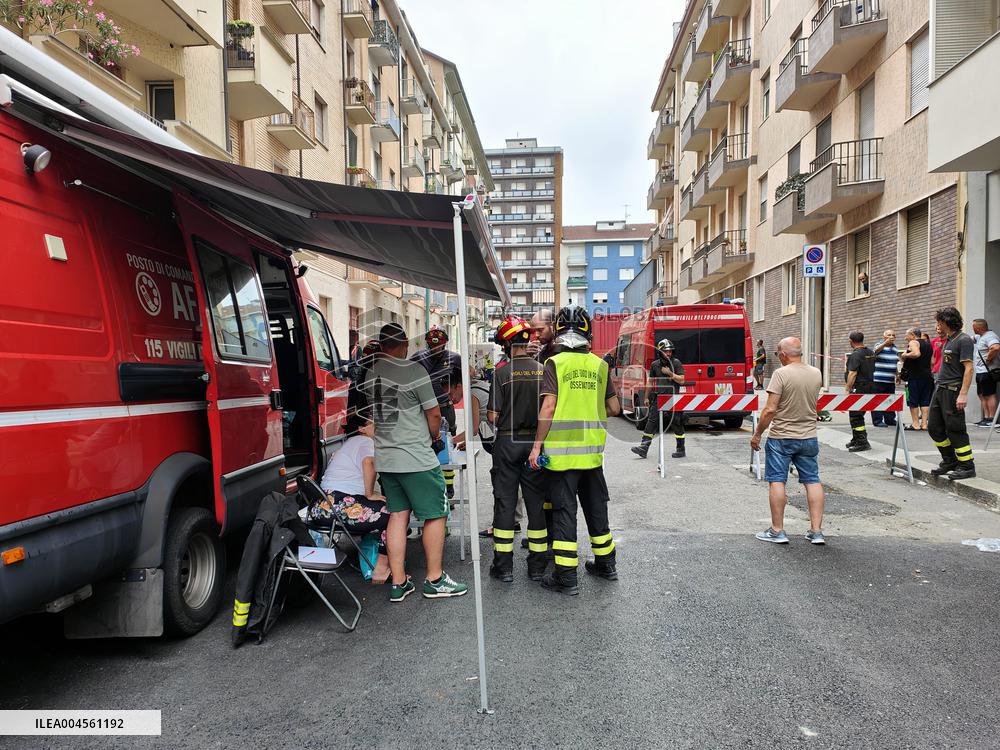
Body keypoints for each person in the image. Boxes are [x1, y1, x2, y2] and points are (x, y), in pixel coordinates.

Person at [360, 323, 468, 602]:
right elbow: (434, 414)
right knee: (435, 513)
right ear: (405, 344)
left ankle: (399, 582)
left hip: (386, 458)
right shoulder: (414, 371)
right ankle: (434, 579)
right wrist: (434, 437)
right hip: (416, 457)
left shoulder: (372, 373)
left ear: (383, 345)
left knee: (398, 514)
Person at [529, 305, 622, 595]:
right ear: (587, 332)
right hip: (592, 456)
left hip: (562, 457)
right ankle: (606, 564)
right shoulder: (600, 365)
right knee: (596, 509)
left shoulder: (554, 364)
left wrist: (536, 446)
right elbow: (614, 408)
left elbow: (549, 406)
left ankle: (566, 577)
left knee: (565, 513)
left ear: (557, 331)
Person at [486, 315, 549, 582]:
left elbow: (492, 416)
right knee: (536, 504)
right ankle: (536, 567)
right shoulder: (543, 370)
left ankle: (504, 567)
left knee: (505, 503)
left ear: (507, 344)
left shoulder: (501, 373)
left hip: (508, 443)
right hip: (535, 443)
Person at [750, 337, 826, 545]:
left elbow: (770, 409)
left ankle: (777, 530)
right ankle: (816, 531)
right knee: (812, 480)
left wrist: (757, 433)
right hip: (809, 436)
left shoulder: (780, 374)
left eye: (777, 354)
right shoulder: (816, 373)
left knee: (777, 480)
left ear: (783, 354)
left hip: (782, 437)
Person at [317, 414, 390, 583]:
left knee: (380, 507)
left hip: (322, 506)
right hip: (339, 506)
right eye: (372, 423)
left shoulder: (349, 443)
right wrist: (370, 493)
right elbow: (369, 463)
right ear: (361, 429)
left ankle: (374, 560)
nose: (377, 426)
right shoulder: (365, 441)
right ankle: (381, 567)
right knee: (394, 514)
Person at [412, 326, 462, 499]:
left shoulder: (454, 358)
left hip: (445, 407)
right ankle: (428, 484)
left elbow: (465, 378)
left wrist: (458, 394)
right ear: (427, 343)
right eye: (431, 345)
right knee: (425, 444)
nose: (435, 348)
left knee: (447, 446)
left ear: (444, 344)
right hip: (424, 409)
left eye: (439, 345)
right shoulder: (418, 357)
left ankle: (448, 487)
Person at [927, 307, 977, 480]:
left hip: (953, 391)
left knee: (955, 429)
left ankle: (967, 465)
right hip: (940, 389)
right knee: (934, 428)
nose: (937, 326)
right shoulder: (949, 339)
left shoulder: (963, 340)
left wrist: (963, 394)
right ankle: (949, 460)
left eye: (939, 323)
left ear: (947, 323)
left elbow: (969, 369)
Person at [631, 339, 686, 460]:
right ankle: (643, 448)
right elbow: (650, 382)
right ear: (660, 352)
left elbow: (682, 380)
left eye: (670, 351)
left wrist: (670, 373)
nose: (668, 353)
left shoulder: (676, 363)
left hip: (673, 398)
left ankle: (681, 449)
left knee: (677, 423)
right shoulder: (655, 365)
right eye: (666, 351)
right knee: (651, 422)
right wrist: (646, 397)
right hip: (659, 398)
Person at [844, 332, 877, 452]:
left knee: (856, 415)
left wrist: (847, 389)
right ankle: (856, 439)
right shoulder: (870, 353)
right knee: (858, 414)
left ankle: (862, 442)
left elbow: (852, 373)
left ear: (851, 341)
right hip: (870, 386)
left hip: (859, 387)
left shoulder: (855, 355)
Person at [899, 327, 933, 430]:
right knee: (925, 401)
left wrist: (905, 355)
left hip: (914, 377)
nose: (906, 338)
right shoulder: (928, 344)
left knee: (913, 401)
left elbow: (916, 354)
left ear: (913, 335)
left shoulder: (914, 342)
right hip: (927, 377)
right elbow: (932, 362)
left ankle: (915, 424)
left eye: (907, 335)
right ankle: (924, 424)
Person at [972, 318, 1000, 426]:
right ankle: (986, 418)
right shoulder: (980, 337)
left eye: (973, 326)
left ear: (979, 327)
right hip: (980, 372)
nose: (972, 328)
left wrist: (988, 359)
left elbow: (996, 347)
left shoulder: (990, 336)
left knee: (989, 394)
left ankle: (992, 419)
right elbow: (969, 339)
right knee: (982, 394)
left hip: (987, 371)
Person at [871, 329, 899, 427]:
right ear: (884, 337)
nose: (891, 337)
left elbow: (894, 363)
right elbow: (874, 351)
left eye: (893, 335)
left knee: (890, 400)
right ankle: (877, 420)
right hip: (878, 379)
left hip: (890, 380)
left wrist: (897, 375)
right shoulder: (879, 345)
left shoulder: (895, 348)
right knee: (878, 400)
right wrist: (884, 343)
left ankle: (890, 419)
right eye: (888, 335)